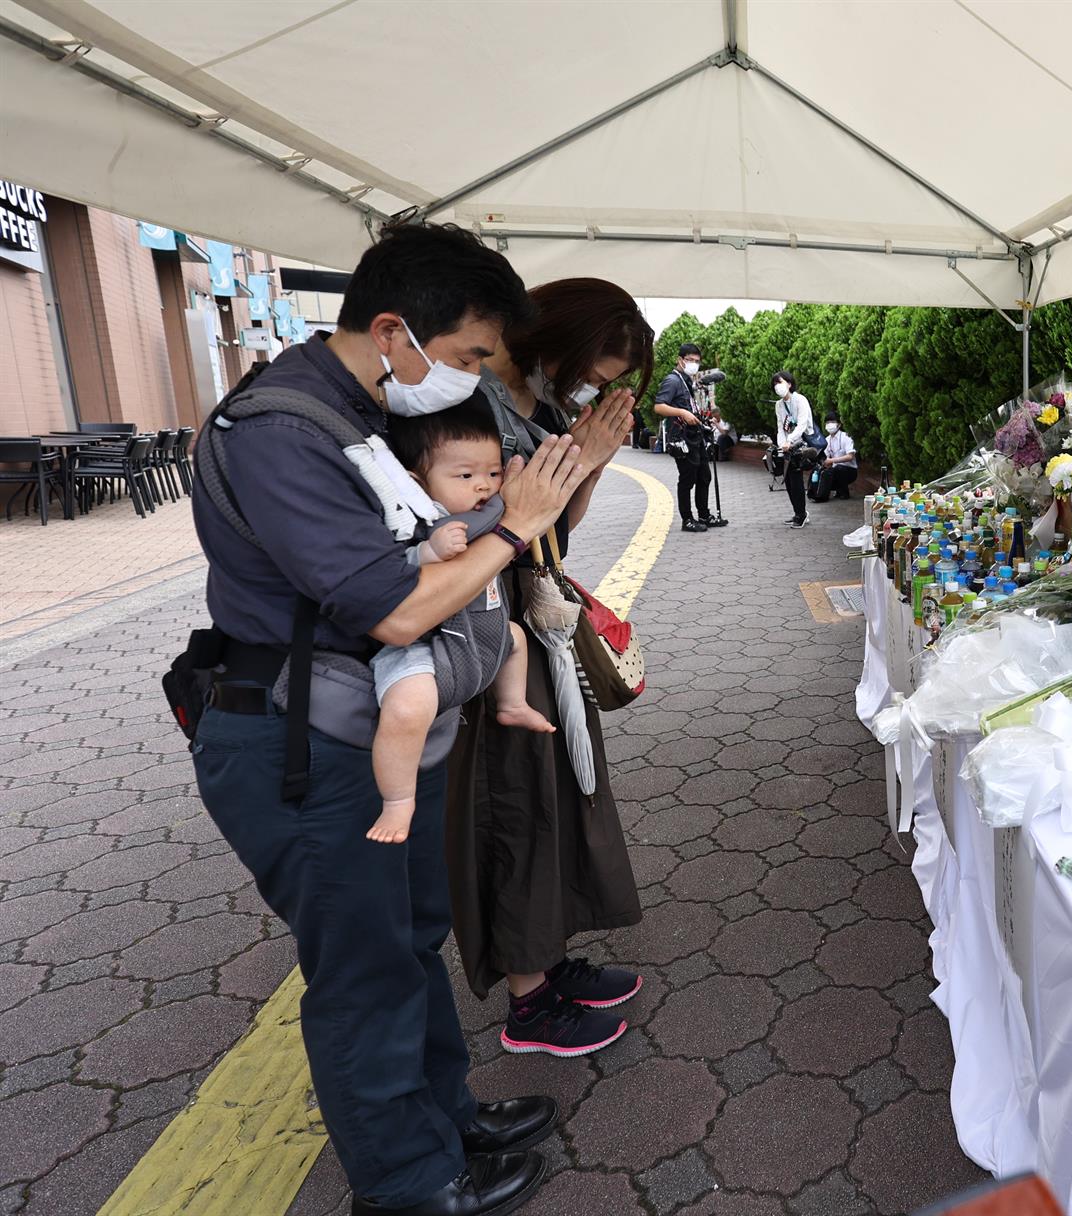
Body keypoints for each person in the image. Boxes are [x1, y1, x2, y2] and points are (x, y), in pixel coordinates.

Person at [189, 223, 583, 1216]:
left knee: (411, 936)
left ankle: (442, 1119)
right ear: (394, 329)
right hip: (303, 746)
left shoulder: (355, 411)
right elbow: (398, 606)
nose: (474, 382)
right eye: (466, 359)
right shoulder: (280, 429)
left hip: (367, 730)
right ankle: (407, 1183)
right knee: (364, 968)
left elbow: (438, 543)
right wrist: (519, 527)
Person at [449, 277, 652, 1059]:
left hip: (541, 620)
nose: (595, 386)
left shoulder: (543, 405)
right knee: (517, 800)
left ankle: (550, 961)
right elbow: (472, 522)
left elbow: (558, 525)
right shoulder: (466, 404)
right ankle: (528, 1004)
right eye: (597, 368)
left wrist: (593, 460)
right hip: (493, 628)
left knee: (563, 790)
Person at [366, 407, 554, 846]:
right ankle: (397, 799)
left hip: (480, 635)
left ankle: (511, 703)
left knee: (517, 639)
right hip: (425, 649)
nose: (484, 485)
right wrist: (430, 551)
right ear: (418, 484)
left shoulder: (491, 513)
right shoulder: (418, 524)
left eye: (491, 472)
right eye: (465, 476)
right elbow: (398, 570)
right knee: (407, 708)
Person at [653, 342, 726, 532]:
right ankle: (687, 520)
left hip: (695, 436)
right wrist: (683, 413)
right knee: (687, 479)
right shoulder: (672, 380)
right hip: (681, 438)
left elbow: (688, 407)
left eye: (697, 361)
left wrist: (702, 419)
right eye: (689, 360)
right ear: (680, 360)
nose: (694, 364)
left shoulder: (686, 381)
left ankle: (704, 515)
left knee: (704, 476)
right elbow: (659, 406)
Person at [773, 370, 815, 528]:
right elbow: (780, 427)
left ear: (789, 384)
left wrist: (789, 441)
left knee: (796, 479)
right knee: (789, 481)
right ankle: (798, 512)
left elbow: (803, 424)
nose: (778, 386)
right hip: (788, 447)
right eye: (775, 384)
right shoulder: (779, 405)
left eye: (780, 382)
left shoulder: (800, 400)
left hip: (801, 445)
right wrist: (782, 443)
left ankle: (801, 514)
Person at [815, 413, 858, 501]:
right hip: (835, 470)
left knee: (839, 469)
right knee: (822, 472)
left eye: (832, 422)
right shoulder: (826, 440)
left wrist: (831, 460)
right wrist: (824, 463)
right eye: (827, 422)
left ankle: (844, 492)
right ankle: (821, 493)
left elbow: (850, 456)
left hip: (850, 470)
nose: (829, 424)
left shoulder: (846, 437)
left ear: (839, 424)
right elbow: (825, 457)